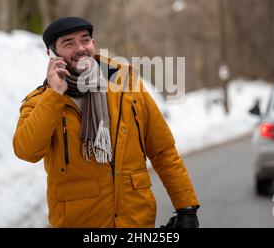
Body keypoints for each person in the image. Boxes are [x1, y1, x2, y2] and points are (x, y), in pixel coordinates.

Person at [12, 16, 200, 228]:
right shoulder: (40, 101)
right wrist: (55, 95)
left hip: (136, 222)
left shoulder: (127, 87)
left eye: (85, 40)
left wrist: (186, 207)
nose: (80, 48)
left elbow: (163, 151)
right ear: (51, 54)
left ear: (94, 44)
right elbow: (26, 151)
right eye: (69, 43)